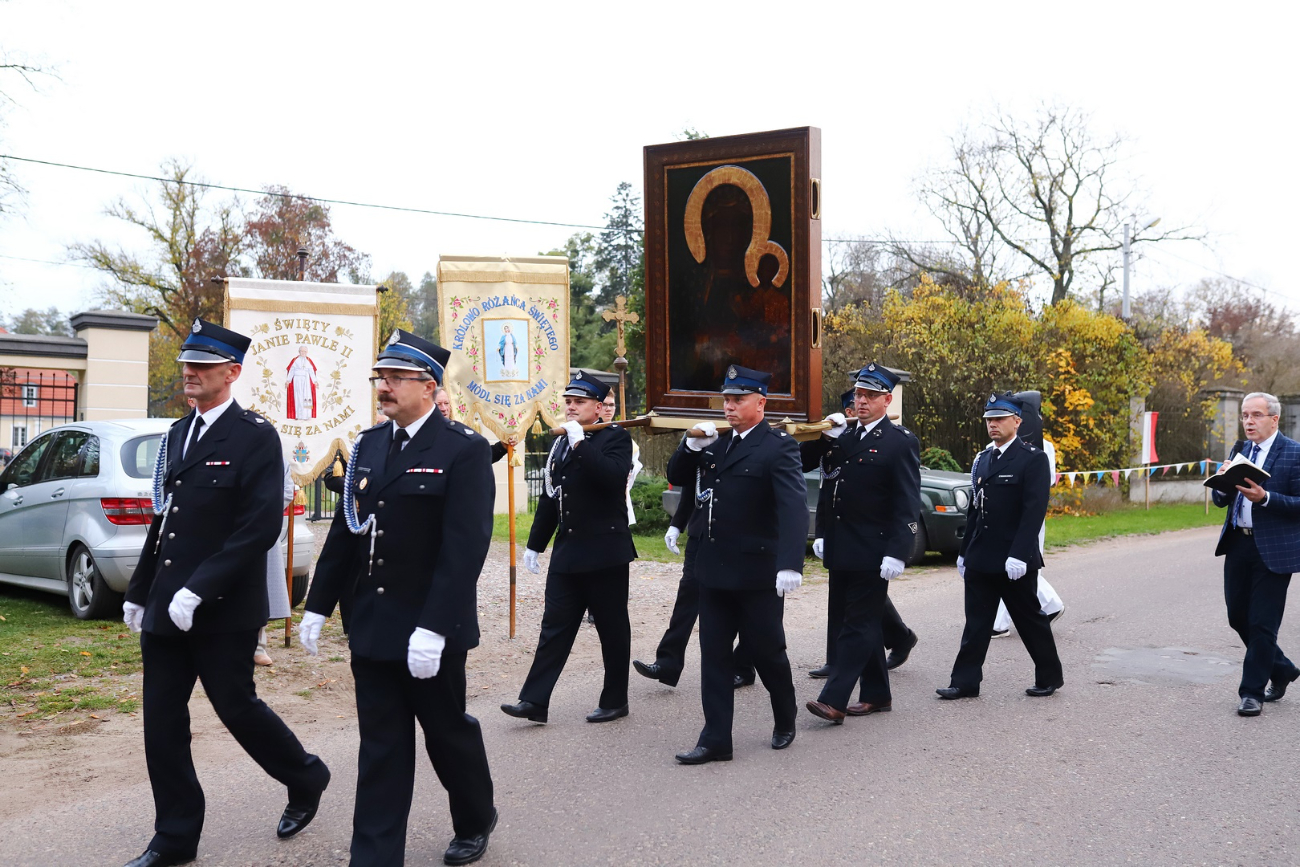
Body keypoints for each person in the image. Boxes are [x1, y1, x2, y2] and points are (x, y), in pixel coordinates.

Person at [119, 319, 330, 867]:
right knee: (161, 721)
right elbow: (164, 523)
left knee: (236, 707)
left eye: (203, 366)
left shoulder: (256, 437)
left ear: (231, 373)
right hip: (169, 602)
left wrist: (199, 589)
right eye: (187, 363)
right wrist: (142, 590)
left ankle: (306, 776)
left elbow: (258, 528)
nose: (189, 372)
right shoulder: (175, 435)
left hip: (222, 606)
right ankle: (175, 837)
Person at [299, 329, 498, 866]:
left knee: (447, 735)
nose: (381, 387)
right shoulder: (367, 445)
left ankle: (476, 817)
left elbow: (465, 550)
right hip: (373, 624)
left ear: (428, 386)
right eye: (379, 378)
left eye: (393, 379)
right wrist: (318, 605)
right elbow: (347, 532)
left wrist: (434, 628)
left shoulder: (464, 451)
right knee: (382, 751)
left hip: (431, 628)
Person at [666, 365, 806, 764]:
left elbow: (794, 506)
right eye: (726, 399)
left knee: (766, 652)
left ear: (760, 403)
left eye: (737, 399)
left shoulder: (779, 446)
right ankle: (715, 740)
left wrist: (790, 563)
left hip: (757, 573)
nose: (728, 406)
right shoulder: (716, 445)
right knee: (714, 656)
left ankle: (785, 715)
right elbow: (678, 477)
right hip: (713, 571)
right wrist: (690, 445)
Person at [501, 371, 637, 725]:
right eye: (568, 402)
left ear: (598, 407)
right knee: (554, 628)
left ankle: (615, 699)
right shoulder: (562, 440)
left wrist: (581, 445)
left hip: (605, 552)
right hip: (568, 551)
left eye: (579, 402)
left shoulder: (614, 439)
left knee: (611, 629)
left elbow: (611, 480)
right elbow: (552, 496)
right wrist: (535, 545)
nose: (571, 407)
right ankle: (534, 701)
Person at [801, 364, 922, 724]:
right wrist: (824, 436)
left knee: (857, 626)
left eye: (870, 395)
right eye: (858, 394)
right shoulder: (843, 437)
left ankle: (834, 700)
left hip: (875, 549)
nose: (862, 400)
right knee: (853, 622)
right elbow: (816, 474)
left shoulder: (900, 442)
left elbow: (907, 501)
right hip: (842, 546)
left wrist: (899, 550)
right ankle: (877, 694)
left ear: (887, 400)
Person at [937, 392, 1062, 700]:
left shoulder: (1033, 459)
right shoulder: (983, 459)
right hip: (982, 555)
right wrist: (964, 552)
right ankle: (964, 682)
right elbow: (976, 511)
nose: (992, 425)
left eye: (999, 419)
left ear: (1017, 422)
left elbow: (1034, 511)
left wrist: (1020, 554)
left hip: (1013, 559)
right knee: (976, 624)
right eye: (989, 420)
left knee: (1030, 620)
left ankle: (1049, 676)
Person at [1210, 391, 1300, 717]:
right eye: (1245, 415)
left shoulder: (1294, 453)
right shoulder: (1240, 450)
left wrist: (1265, 498)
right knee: (1238, 616)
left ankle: (1252, 693)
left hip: (1274, 550)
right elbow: (1224, 500)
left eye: (1256, 415)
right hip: (1238, 543)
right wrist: (1222, 482)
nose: (1249, 421)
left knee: (1263, 623)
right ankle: (1282, 668)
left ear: (1274, 418)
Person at [632, 470, 756, 689]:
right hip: (701, 534)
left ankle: (743, 666)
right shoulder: (703, 444)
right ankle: (667, 662)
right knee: (688, 596)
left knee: (740, 601)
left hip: (738, 536)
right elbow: (691, 484)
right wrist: (676, 524)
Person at [991, 390, 1065, 637]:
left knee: (1024, 563)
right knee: (1008, 565)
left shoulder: (1044, 448)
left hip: (1029, 514)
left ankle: (1001, 622)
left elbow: (1047, 482)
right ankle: (1050, 605)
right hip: (1001, 516)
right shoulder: (997, 443)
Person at [255, 458, 296, 666]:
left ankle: (257, 646)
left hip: (259, 526)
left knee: (260, 588)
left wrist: (258, 512)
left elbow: (287, 491)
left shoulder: (272, 450)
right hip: (222, 529)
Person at [285, 346, 318, 420]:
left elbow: (311, 372)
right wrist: (288, 380)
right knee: (298, 397)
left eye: (305, 352)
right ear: (299, 352)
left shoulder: (308, 360)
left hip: (306, 381)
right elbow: (291, 371)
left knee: (306, 396)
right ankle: (298, 415)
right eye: (302, 351)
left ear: (307, 352)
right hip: (297, 380)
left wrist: (315, 381)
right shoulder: (295, 360)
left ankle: (307, 415)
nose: (303, 353)